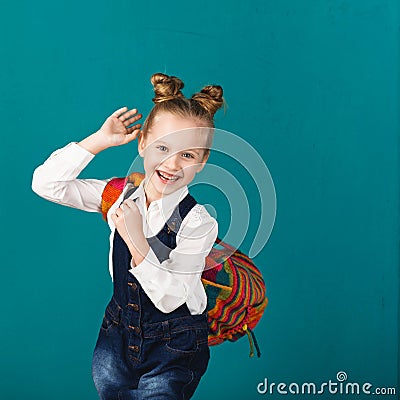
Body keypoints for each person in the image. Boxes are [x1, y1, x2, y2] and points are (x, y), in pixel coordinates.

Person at [31, 72, 225, 399]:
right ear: (143, 143)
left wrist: (137, 240)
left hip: (174, 345)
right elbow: (47, 184)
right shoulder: (119, 196)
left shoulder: (197, 222)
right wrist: (98, 140)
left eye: (188, 155)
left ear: (202, 162)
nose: (173, 163)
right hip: (117, 335)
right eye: (162, 147)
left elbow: (172, 296)